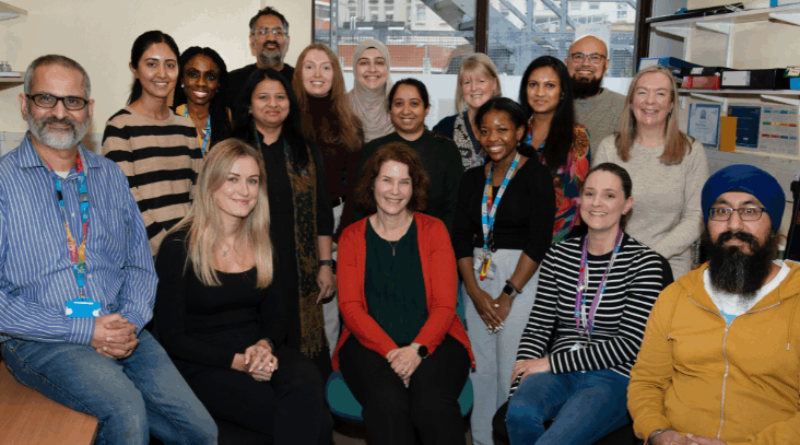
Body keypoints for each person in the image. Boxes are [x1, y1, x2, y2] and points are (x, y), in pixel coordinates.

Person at [0, 54, 216, 445]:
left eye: (74, 101)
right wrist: (85, 329)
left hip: (120, 326)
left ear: (89, 109)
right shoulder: (2, 183)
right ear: (24, 103)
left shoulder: (110, 176)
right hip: (43, 337)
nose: (61, 113)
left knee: (200, 431)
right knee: (125, 413)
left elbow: (139, 265)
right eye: (46, 99)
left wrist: (127, 322)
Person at [154, 139, 333, 444]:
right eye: (233, 179)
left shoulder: (264, 242)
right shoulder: (178, 246)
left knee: (306, 378)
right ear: (211, 183)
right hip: (203, 360)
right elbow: (170, 337)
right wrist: (238, 361)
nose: (245, 190)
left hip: (255, 349)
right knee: (304, 422)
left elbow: (278, 317)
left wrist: (263, 346)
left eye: (252, 181)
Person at [628, 165, 800, 445]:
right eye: (721, 211)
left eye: (750, 210)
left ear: (773, 226)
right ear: (707, 224)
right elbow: (647, 382)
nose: (734, 225)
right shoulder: (676, 296)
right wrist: (658, 432)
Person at [502, 163, 673, 445]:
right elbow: (538, 326)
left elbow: (630, 343)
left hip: (613, 375)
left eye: (609, 195)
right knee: (517, 415)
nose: (597, 203)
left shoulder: (646, 264)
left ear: (627, 204)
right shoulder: (558, 255)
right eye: (590, 193)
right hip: (558, 372)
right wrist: (520, 386)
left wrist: (552, 362)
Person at [333, 143, 474, 445]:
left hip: (436, 339)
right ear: (372, 183)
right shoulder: (351, 236)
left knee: (433, 403)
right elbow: (351, 308)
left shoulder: (434, 230)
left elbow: (445, 304)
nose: (394, 190)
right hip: (367, 344)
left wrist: (416, 350)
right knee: (387, 404)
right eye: (387, 180)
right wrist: (393, 354)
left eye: (404, 181)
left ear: (415, 186)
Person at [451, 97, 555, 445]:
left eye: (502, 129)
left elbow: (539, 240)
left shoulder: (536, 174)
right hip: (476, 275)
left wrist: (508, 294)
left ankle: (509, 438)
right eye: (485, 130)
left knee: (512, 367)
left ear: (520, 132)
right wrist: (475, 293)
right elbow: (460, 240)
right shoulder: (470, 179)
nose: (492, 138)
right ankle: (482, 440)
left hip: (520, 276)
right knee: (481, 368)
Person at [233, 68, 335, 380]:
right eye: (263, 97)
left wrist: (325, 264)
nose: (272, 104)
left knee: (305, 362)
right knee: (258, 352)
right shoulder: (234, 149)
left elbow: (321, 212)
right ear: (249, 105)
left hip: (300, 272)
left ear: (290, 103)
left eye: (280, 97)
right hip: (250, 267)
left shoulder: (306, 150)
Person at [594, 65, 708, 279]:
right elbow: (596, 211)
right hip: (614, 262)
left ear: (671, 104)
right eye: (642, 92)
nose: (650, 101)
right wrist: (621, 258)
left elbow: (696, 217)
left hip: (668, 266)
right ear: (631, 100)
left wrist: (650, 257)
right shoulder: (609, 148)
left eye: (661, 94)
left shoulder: (692, 152)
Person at [103, 30, 202, 255]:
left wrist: (193, 241)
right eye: (151, 64)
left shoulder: (186, 128)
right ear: (134, 69)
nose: (162, 74)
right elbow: (126, 200)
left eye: (170, 65)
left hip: (189, 250)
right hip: (144, 257)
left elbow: (199, 193)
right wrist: (168, 248)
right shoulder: (119, 127)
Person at [293, 43, 364, 356]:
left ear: (335, 74)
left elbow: (357, 190)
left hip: (335, 225)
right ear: (298, 73)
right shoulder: (285, 120)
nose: (317, 74)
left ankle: (328, 378)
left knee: (330, 307)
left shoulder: (350, 124)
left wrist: (340, 236)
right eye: (309, 66)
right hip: (292, 223)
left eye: (325, 67)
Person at [354, 78, 462, 233]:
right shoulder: (373, 150)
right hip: (380, 241)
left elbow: (453, 208)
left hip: (433, 242)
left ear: (427, 109)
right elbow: (360, 205)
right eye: (398, 103)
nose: (406, 111)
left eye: (414, 103)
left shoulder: (446, 149)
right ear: (389, 109)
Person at [520, 56, 591, 245]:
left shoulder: (578, 136)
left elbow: (574, 201)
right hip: (512, 240)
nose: (540, 93)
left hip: (559, 244)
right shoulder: (513, 133)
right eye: (533, 84)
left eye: (550, 85)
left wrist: (540, 245)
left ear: (562, 93)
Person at [433, 53, 502, 171]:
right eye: (467, 82)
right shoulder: (444, 129)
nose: (474, 88)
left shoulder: (509, 126)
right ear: (461, 88)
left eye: (480, 81)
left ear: (494, 84)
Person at [565, 35, 626, 156]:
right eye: (578, 56)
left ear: (606, 65)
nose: (586, 63)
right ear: (566, 63)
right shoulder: (549, 102)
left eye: (595, 57)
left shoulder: (623, 106)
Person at [228, 7, 294, 108]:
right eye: (263, 32)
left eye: (278, 32)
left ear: (287, 41)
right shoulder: (232, 82)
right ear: (252, 40)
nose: (271, 38)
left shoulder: (300, 80)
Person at [173, 46, 233, 156]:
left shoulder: (228, 119)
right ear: (182, 79)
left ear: (218, 84)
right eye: (193, 74)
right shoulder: (169, 116)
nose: (201, 83)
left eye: (210, 77)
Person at [346, 39, 394, 143]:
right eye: (364, 63)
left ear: (387, 68)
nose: (372, 69)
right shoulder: (340, 106)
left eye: (379, 62)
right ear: (354, 68)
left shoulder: (400, 107)